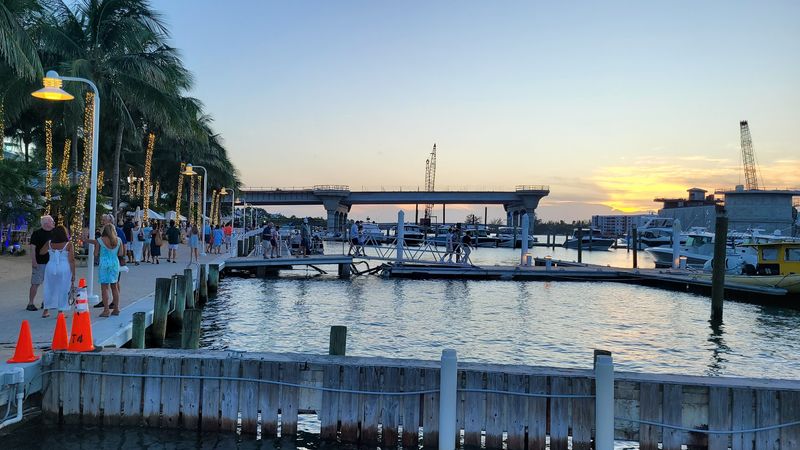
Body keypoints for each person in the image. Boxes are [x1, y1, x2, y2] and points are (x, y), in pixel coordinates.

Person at [86, 224, 123, 317]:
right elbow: (121, 253)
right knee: (114, 286)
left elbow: (95, 254)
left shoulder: (100, 240)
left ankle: (106, 310)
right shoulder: (118, 240)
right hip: (114, 263)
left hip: (104, 264)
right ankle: (116, 308)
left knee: (104, 288)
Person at [40, 225, 75, 318]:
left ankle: (46, 310)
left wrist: (51, 251)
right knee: (64, 288)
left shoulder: (49, 243)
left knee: (49, 287)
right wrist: (73, 275)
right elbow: (72, 260)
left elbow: (41, 252)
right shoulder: (69, 244)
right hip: (64, 267)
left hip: (51, 266)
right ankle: (60, 312)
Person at [28, 215, 55, 311]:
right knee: (35, 283)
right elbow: (32, 248)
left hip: (51, 263)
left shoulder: (54, 233)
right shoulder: (37, 233)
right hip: (40, 262)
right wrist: (34, 261)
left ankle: (46, 302)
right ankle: (30, 303)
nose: (53, 223)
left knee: (50, 283)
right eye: (52, 221)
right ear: (46, 223)